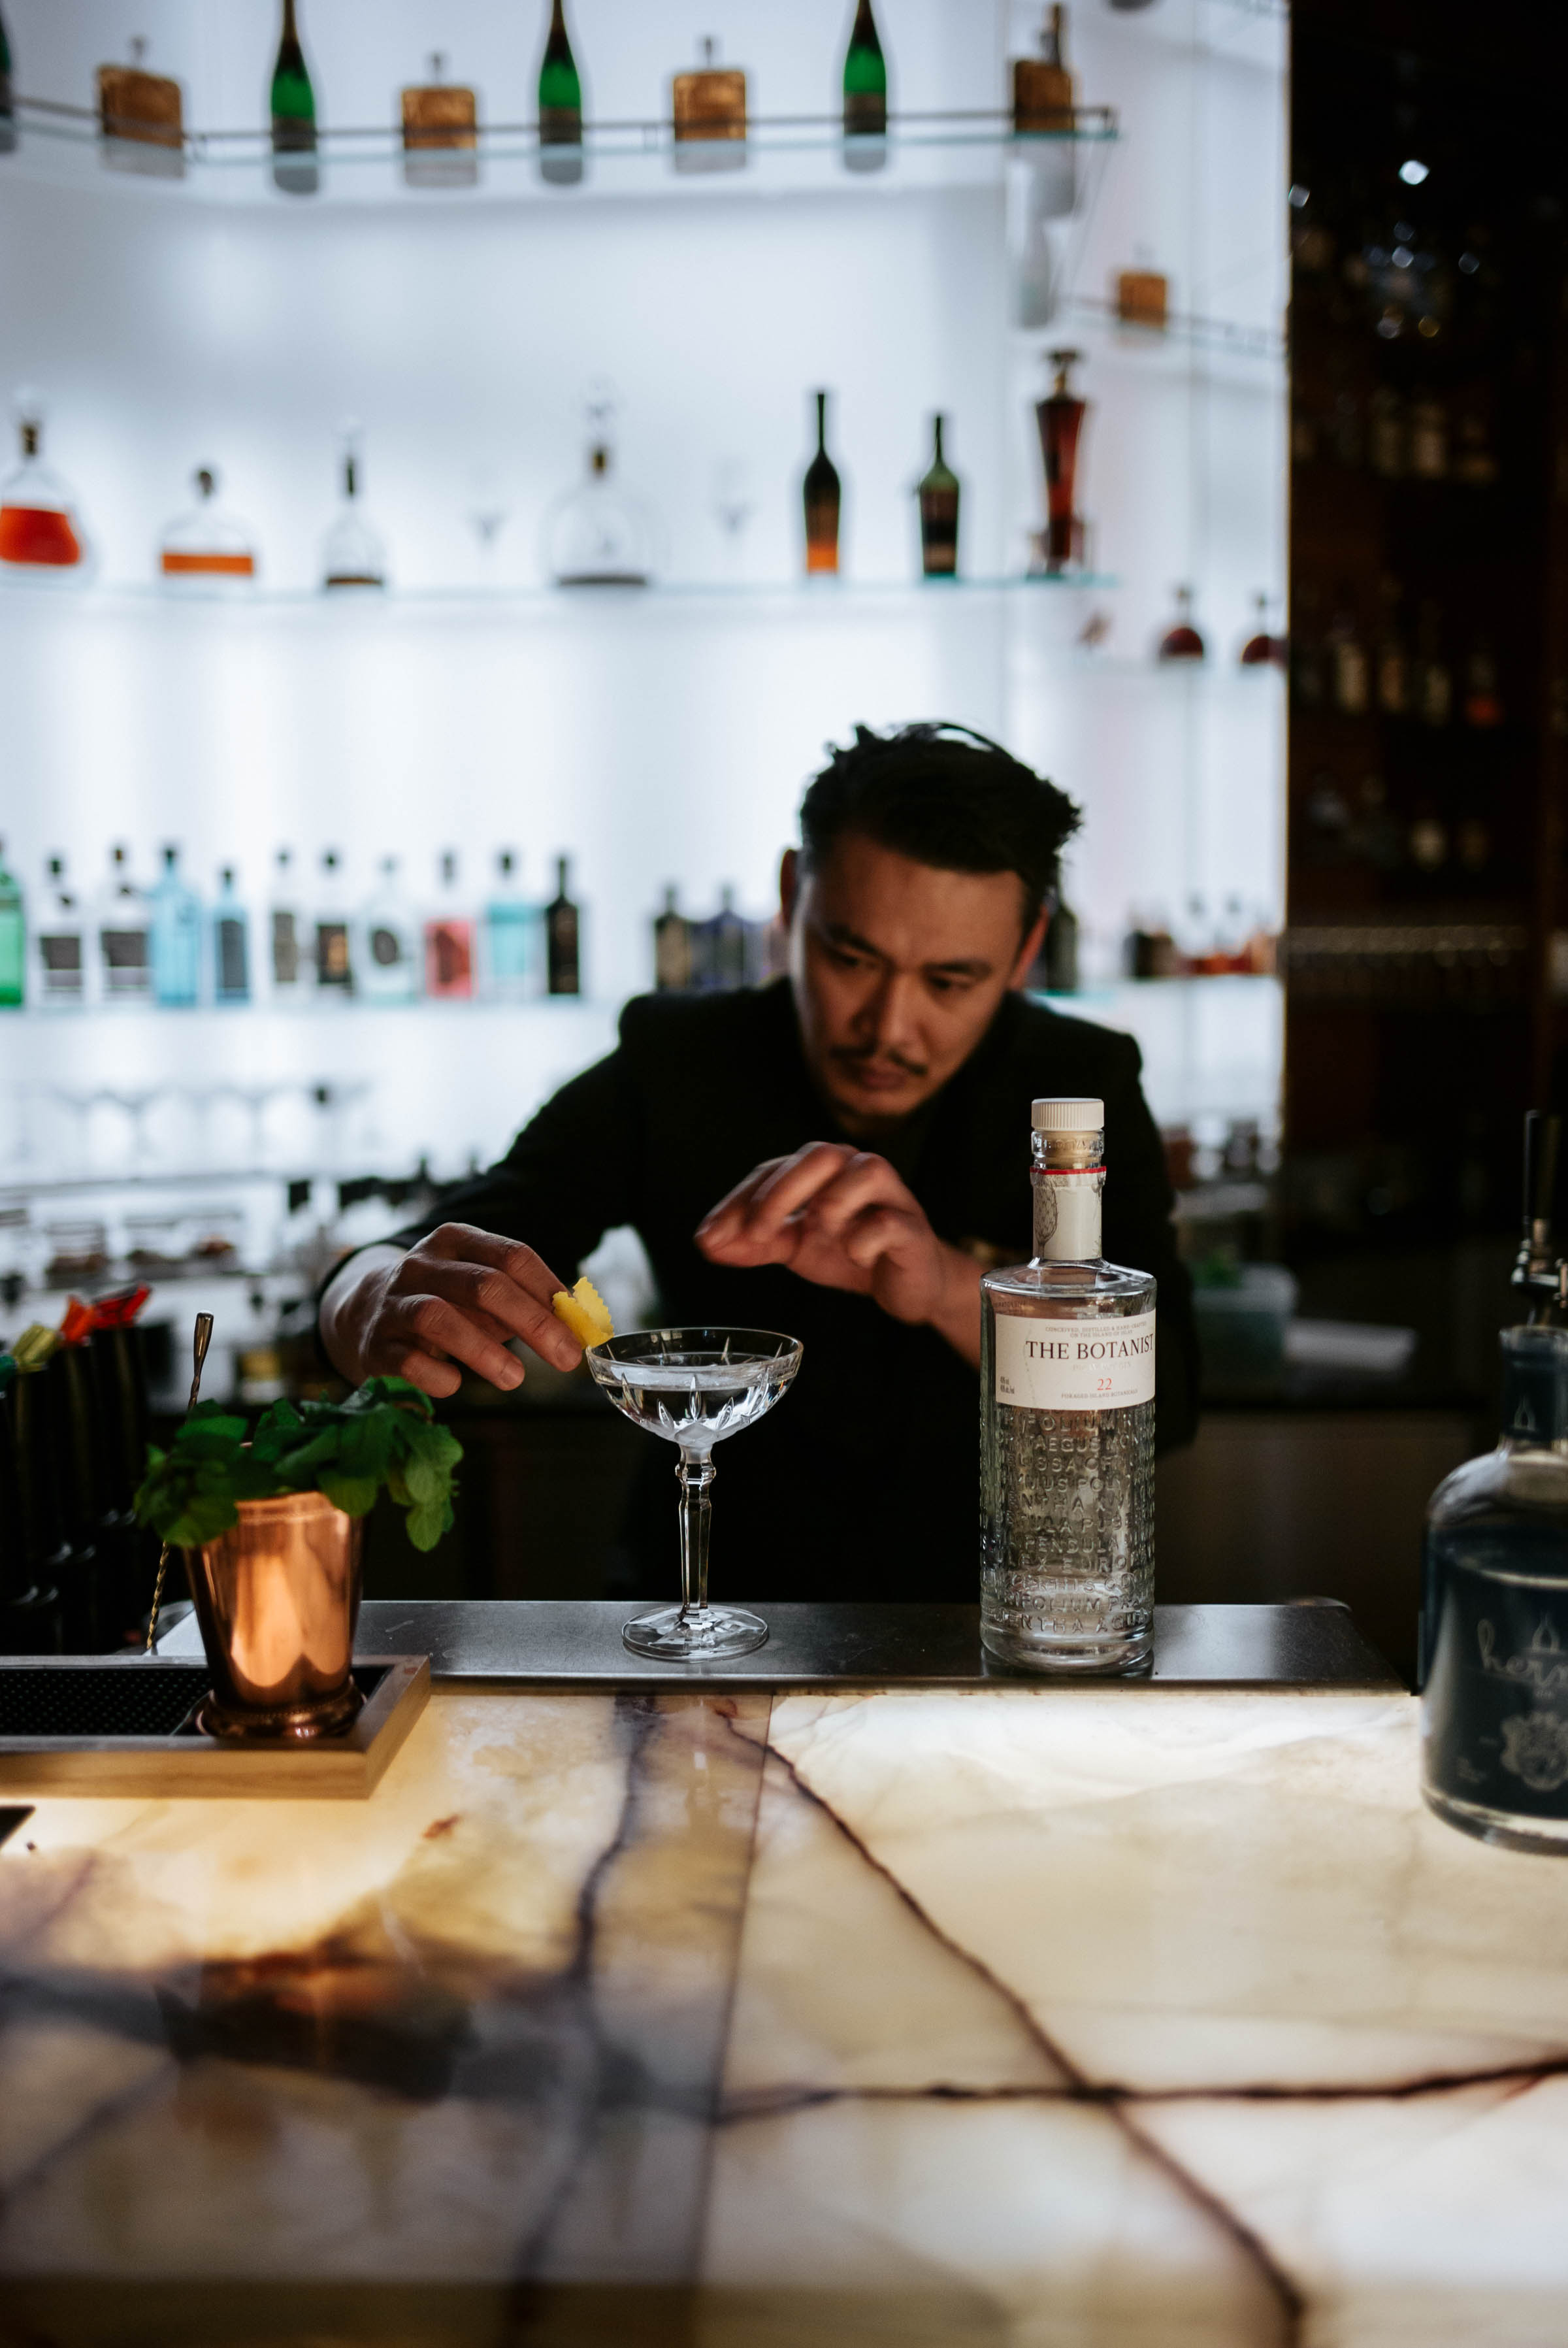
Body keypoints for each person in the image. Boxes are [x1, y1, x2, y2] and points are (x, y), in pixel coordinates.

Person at [319, 722, 1197, 1602]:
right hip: (711, 1613)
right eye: (851, 957)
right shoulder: (679, 1059)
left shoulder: (1081, 1084)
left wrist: (948, 1286)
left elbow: (1176, 1393)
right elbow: (476, 1230)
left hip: (991, 1615)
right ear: (791, 894)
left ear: (1027, 948)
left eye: (950, 981)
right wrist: (363, 1286)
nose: (889, 1027)